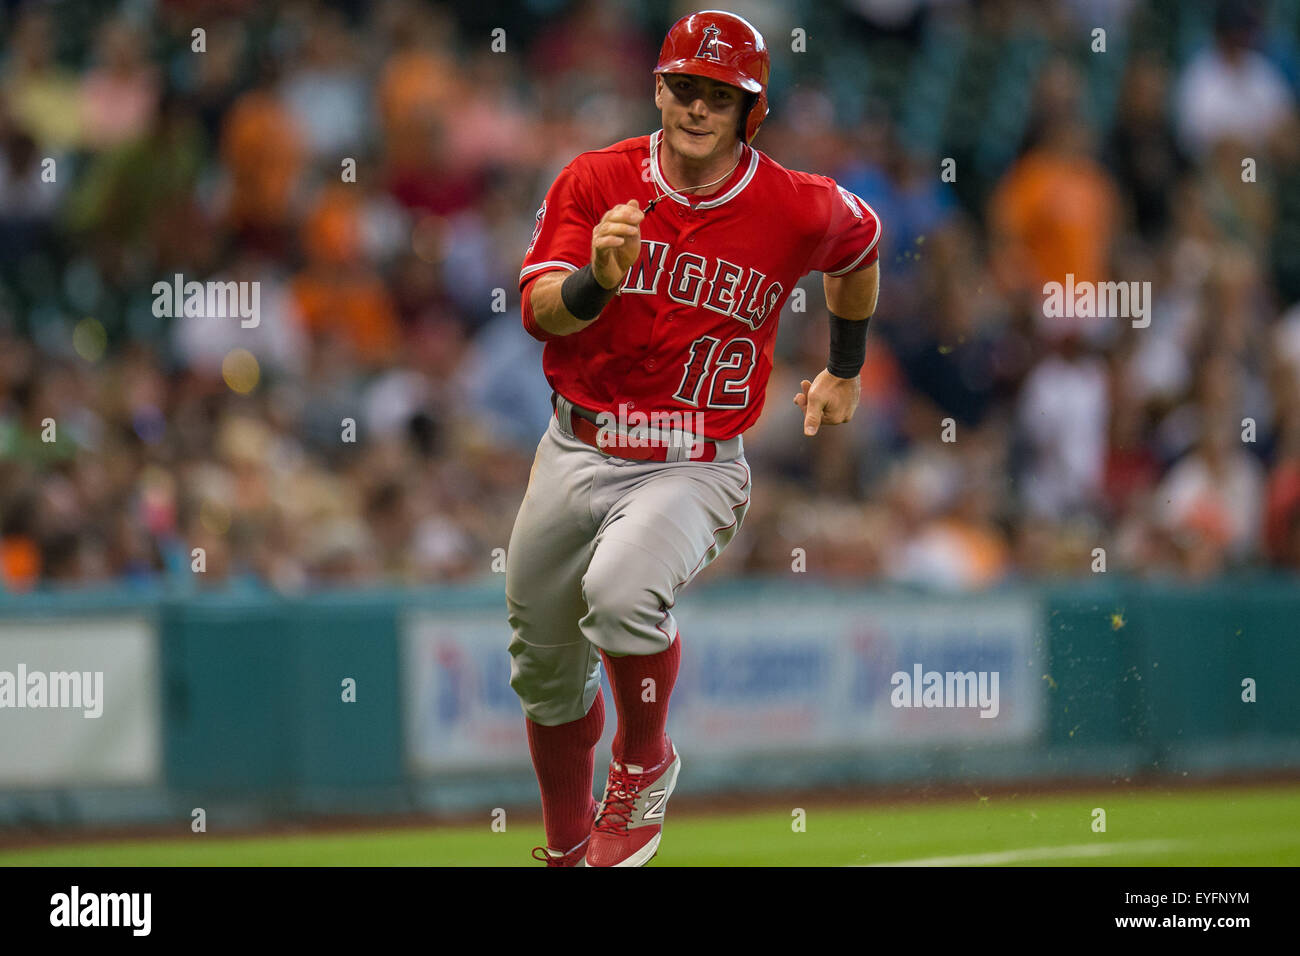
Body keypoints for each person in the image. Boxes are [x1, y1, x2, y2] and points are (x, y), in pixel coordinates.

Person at [509, 10, 881, 866]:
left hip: (694, 459)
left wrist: (846, 367)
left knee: (621, 590)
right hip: (578, 443)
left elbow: (861, 246)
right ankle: (569, 849)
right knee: (542, 668)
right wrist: (597, 286)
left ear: (752, 110)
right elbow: (537, 311)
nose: (698, 107)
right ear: (658, 89)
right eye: (685, 87)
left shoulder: (792, 203)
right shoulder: (597, 180)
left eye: (721, 94)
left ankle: (644, 763)